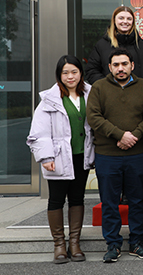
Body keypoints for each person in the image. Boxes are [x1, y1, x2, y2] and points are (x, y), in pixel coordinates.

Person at [86, 48, 143, 263]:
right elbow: (94, 117)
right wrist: (119, 135)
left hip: (137, 153)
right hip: (107, 154)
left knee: (137, 200)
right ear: (109, 67)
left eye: (124, 64)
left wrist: (134, 136)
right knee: (109, 201)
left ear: (132, 65)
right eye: (116, 65)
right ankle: (113, 244)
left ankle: (136, 242)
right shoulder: (99, 87)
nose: (120, 68)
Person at [27, 56, 94, 264]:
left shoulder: (90, 94)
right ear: (59, 75)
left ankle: (74, 243)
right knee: (56, 199)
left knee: (77, 198)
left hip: (81, 156)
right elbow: (39, 132)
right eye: (65, 73)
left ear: (80, 73)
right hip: (57, 158)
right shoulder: (50, 99)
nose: (70, 76)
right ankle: (59, 245)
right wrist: (45, 157)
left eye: (74, 72)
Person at [85, 6, 143, 86]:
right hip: (109, 93)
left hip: (138, 93)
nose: (125, 21)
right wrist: (106, 87)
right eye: (121, 18)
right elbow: (92, 71)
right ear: (114, 20)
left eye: (129, 19)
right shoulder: (102, 45)